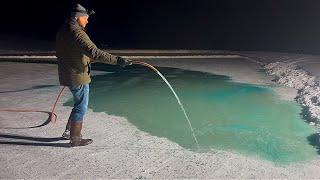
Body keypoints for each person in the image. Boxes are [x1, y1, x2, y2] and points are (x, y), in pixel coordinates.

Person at [56, 4, 132, 147]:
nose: (87, 21)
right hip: (78, 75)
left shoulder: (64, 30)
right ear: (78, 18)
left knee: (78, 104)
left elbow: (74, 52)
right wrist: (117, 60)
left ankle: (68, 132)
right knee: (81, 107)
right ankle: (75, 138)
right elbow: (94, 52)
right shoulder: (77, 33)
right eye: (85, 18)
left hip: (68, 73)